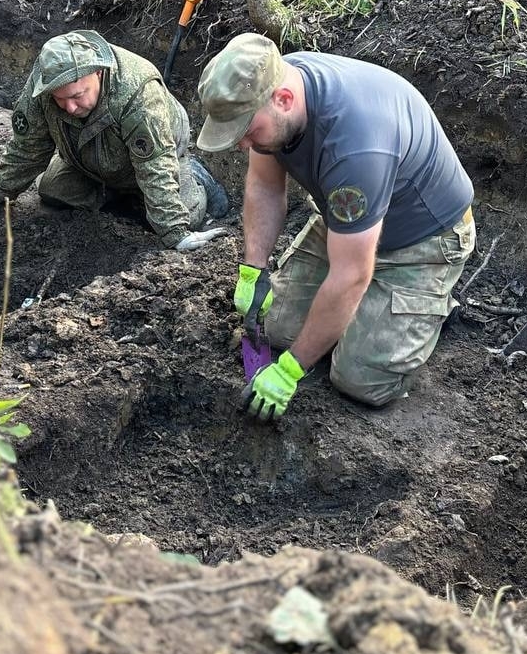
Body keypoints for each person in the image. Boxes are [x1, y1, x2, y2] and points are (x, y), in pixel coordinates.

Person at [196, 33, 476, 420]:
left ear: (284, 100)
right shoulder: (273, 84)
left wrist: (291, 369)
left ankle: (426, 309)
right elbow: (263, 183)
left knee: (359, 379)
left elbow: (351, 274)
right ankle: (367, 315)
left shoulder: (355, 147)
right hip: (346, 225)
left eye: (246, 130)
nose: (241, 143)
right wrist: (253, 269)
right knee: (273, 326)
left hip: (421, 243)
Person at [0, 29, 228, 251]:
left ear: (98, 73)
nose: (69, 107)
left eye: (78, 96)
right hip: (88, 159)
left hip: (153, 156)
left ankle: (193, 174)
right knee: (51, 190)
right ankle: (125, 195)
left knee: (185, 216)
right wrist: (1, 191)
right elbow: (28, 146)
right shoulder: (43, 85)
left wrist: (175, 234)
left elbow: (155, 166)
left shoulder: (138, 94)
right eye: (60, 99)